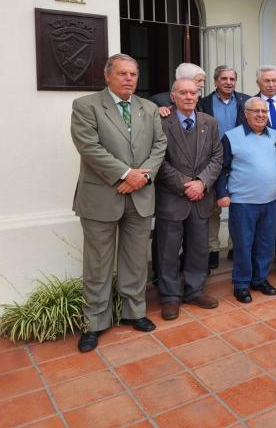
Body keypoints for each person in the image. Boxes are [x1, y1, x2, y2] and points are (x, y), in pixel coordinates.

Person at [70, 53, 167, 353]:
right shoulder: (86, 106)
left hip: (140, 196)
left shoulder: (148, 108)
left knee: (136, 260)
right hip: (101, 196)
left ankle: (134, 312)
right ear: (107, 75)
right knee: (98, 263)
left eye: (133, 74)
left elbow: (159, 146)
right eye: (123, 73)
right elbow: (88, 146)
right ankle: (95, 322)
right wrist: (125, 174)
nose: (129, 79)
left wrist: (142, 178)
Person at [154, 78, 223, 320]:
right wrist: (186, 185)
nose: (188, 97)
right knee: (168, 251)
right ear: (173, 96)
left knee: (198, 249)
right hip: (173, 197)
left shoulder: (209, 123)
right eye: (183, 92)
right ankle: (170, 297)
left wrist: (202, 182)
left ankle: (195, 291)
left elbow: (217, 157)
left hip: (201, 196)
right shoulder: (161, 123)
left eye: (193, 93)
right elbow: (157, 161)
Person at [216, 98, 276, 303]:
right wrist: (222, 193)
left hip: (269, 201)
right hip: (243, 202)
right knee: (243, 245)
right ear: (246, 113)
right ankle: (241, 284)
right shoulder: (231, 137)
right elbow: (222, 169)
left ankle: (260, 279)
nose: (261, 115)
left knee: (265, 243)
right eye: (256, 111)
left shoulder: (275, 136)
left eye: (264, 111)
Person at [196, 65, 250, 270]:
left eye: (232, 79)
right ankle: (212, 250)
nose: (228, 82)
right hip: (212, 160)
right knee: (212, 208)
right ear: (216, 81)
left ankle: (235, 247)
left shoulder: (245, 101)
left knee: (239, 205)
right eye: (224, 78)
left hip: (239, 160)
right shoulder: (203, 103)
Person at [253, 65, 276, 276]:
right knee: (262, 220)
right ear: (258, 83)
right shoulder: (250, 105)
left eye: (274, 80)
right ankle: (259, 265)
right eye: (266, 81)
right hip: (261, 170)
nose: (271, 84)